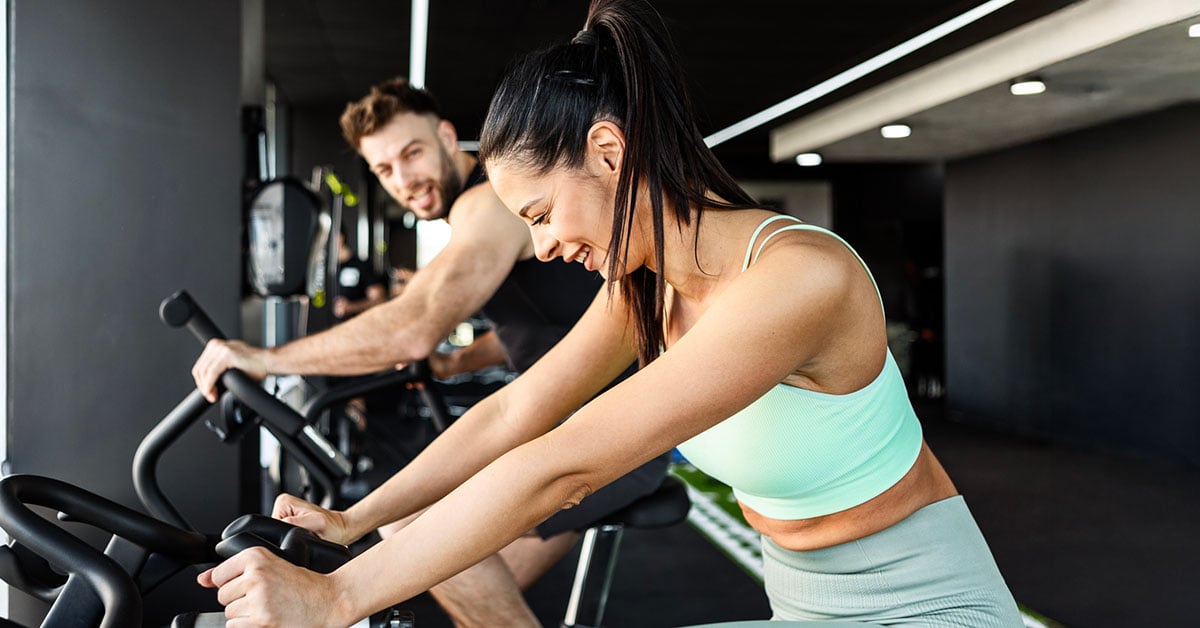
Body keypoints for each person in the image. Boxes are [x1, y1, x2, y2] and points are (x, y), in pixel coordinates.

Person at [197, 1, 1023, 626]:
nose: (546, 246)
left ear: (607, 152)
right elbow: (517, 411)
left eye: (543, 214)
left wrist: (334, 598)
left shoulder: (798, 278)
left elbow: (563, 464)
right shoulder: (649, 286)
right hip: (801, 604)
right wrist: (354, 520)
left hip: (923, 607)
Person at [191, 75, 667, 627]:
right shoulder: (486, 214)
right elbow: (552, 334)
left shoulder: (490, 204)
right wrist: (455, 362)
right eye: (385, 170)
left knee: (417, 537)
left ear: (445, 136)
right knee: (458, 590)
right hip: (565, 412)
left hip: (616, 430)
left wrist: (264, 358)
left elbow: (415, 323)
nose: (404, 179)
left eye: (411, 153)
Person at [331, 229, 387, 321]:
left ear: (340, 237)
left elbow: (379, 299)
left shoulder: (361, 265)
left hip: (352, 326)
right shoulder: (320, 268)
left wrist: (352, 307)